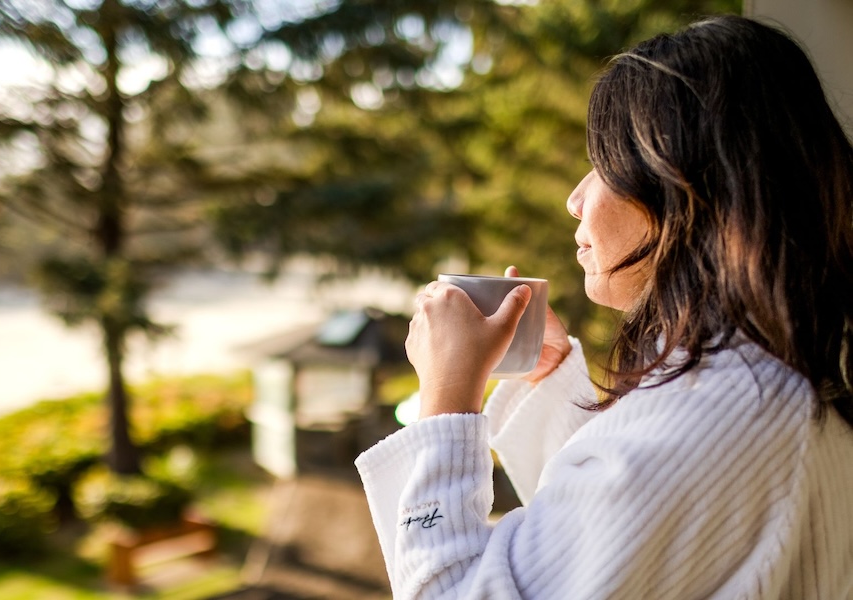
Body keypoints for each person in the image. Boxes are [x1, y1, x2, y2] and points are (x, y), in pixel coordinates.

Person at [354, 14, 853, 600]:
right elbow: (618, 546)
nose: (575, 198)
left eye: (605, 163)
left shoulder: (720, 410)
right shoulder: (764, 380)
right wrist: (549, 379)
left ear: (688, 186)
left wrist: (446, 401)